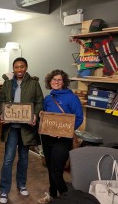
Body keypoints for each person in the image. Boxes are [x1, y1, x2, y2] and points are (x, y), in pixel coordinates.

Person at [0, 57, 44, 204]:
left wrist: (35, 115)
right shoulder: (7, 83)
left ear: (26, 67)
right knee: (8, 159)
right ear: (13, 68)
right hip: (11, 127)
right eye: (17, 67)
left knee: (24, 158)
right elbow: (2, 101)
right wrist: (2, 113)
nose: (19, 69)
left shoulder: (34, 83)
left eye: (22, 67)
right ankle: (4, 190)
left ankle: (21, 184)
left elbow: (39, 102)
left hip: (26, 129)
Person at [38, 69, 83, 204]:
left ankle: (68, 199)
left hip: (62, 141)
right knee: (51, 169)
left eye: (59, 80)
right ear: (49, 81)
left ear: (64, 82)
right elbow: (47, 118)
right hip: (47, 139)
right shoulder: (48, 98)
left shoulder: (72, 98)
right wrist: (41, 115)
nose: (56, 82)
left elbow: (79, 118)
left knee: (57, 172)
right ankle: (52, 196)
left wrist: (63, 131)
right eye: (53, 80)